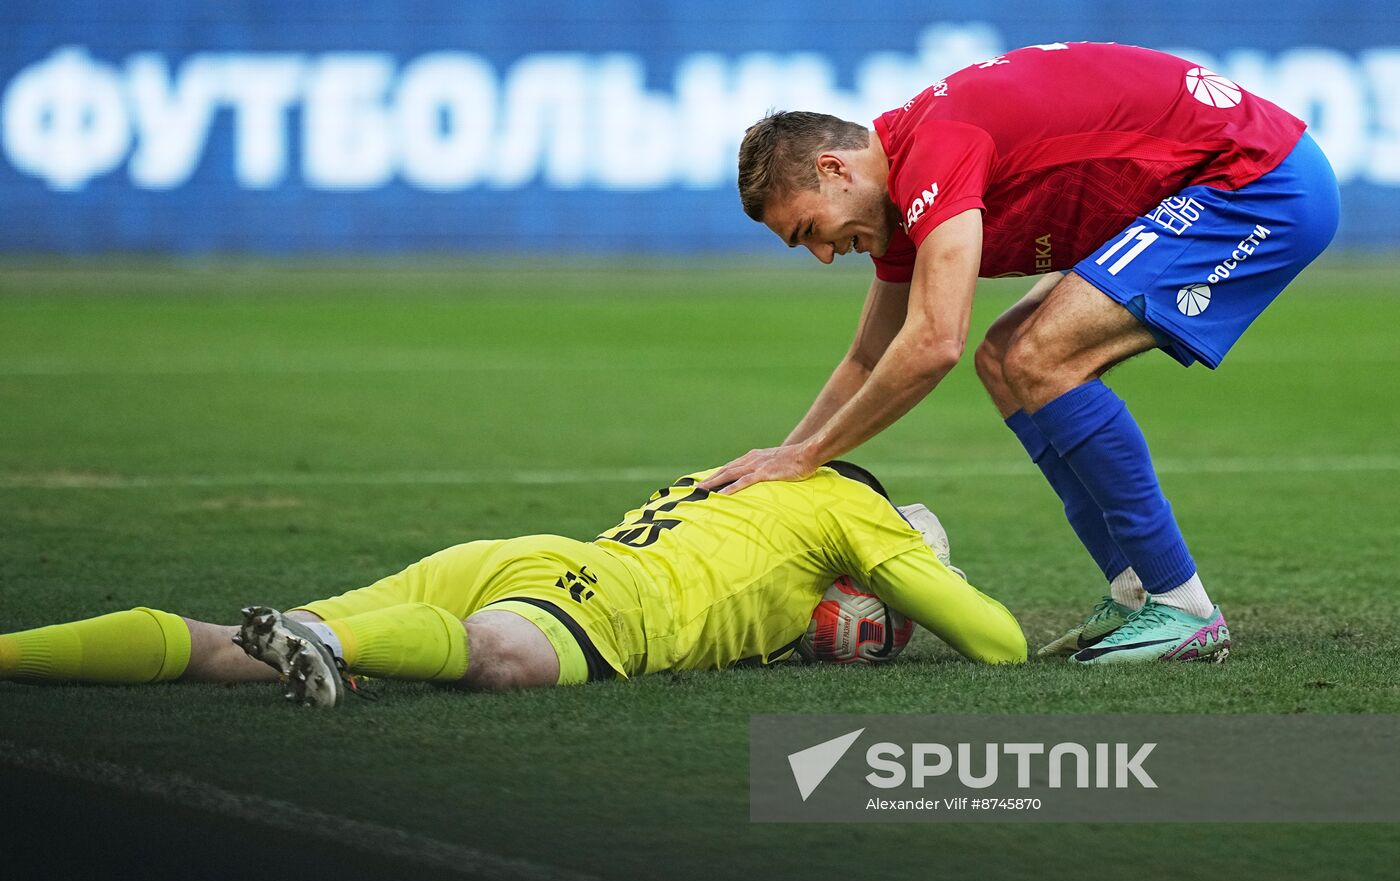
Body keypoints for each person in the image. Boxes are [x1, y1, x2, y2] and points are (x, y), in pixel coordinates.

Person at [704, 41, 1340, 665]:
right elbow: (868, 361)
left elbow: (933, 343)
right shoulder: (899, 193)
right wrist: (779, 464)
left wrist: (811, 456)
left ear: (834, 170)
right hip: (1224, 177)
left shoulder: (935, 150)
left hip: (1258, 182)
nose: (821, 254)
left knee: (1041, 356)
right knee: (1005, 358)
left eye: (809, 231)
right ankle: (1137, 589)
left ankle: (1183, 606)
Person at [0, 463, 1026, 705]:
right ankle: (334, 647)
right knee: (504, 662)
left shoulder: (748, 483)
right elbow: (998, 642)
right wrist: (907, 581)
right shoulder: (846, 507)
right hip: (601, 600)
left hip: (520, 556)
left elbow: (758, 589)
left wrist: (816, 621)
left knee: (229, 643)